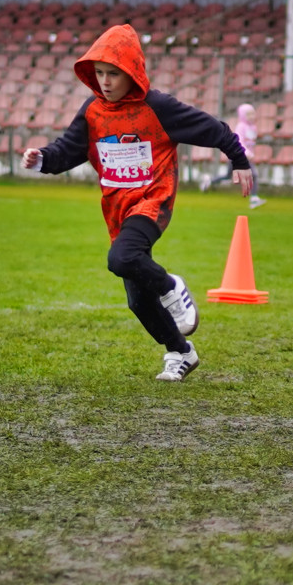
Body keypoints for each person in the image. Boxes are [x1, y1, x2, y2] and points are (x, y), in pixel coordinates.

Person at [21, 23, 253, 382]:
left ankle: (172, 287)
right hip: (117, 209)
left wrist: (238, 160)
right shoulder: (92, 111)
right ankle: (180, 352)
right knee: (137, 300)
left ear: (133, 73)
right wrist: (42, 159)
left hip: (152, 200)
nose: (105, 82)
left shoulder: (158, 107)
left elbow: (213, 128)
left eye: (114, 73)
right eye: (99, 73)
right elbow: (69, 149)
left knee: (122, 258)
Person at [200, 103, 266, 208]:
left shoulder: (253, 127)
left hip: (245, 157)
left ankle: (210, 181)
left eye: (253, 114)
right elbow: (239, 141)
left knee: (228, 176)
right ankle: (254, 198)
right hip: (238, 156)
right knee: (253, 175)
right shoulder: (241, 126)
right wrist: (247, 153)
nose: (252, 116)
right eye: (249, 114)